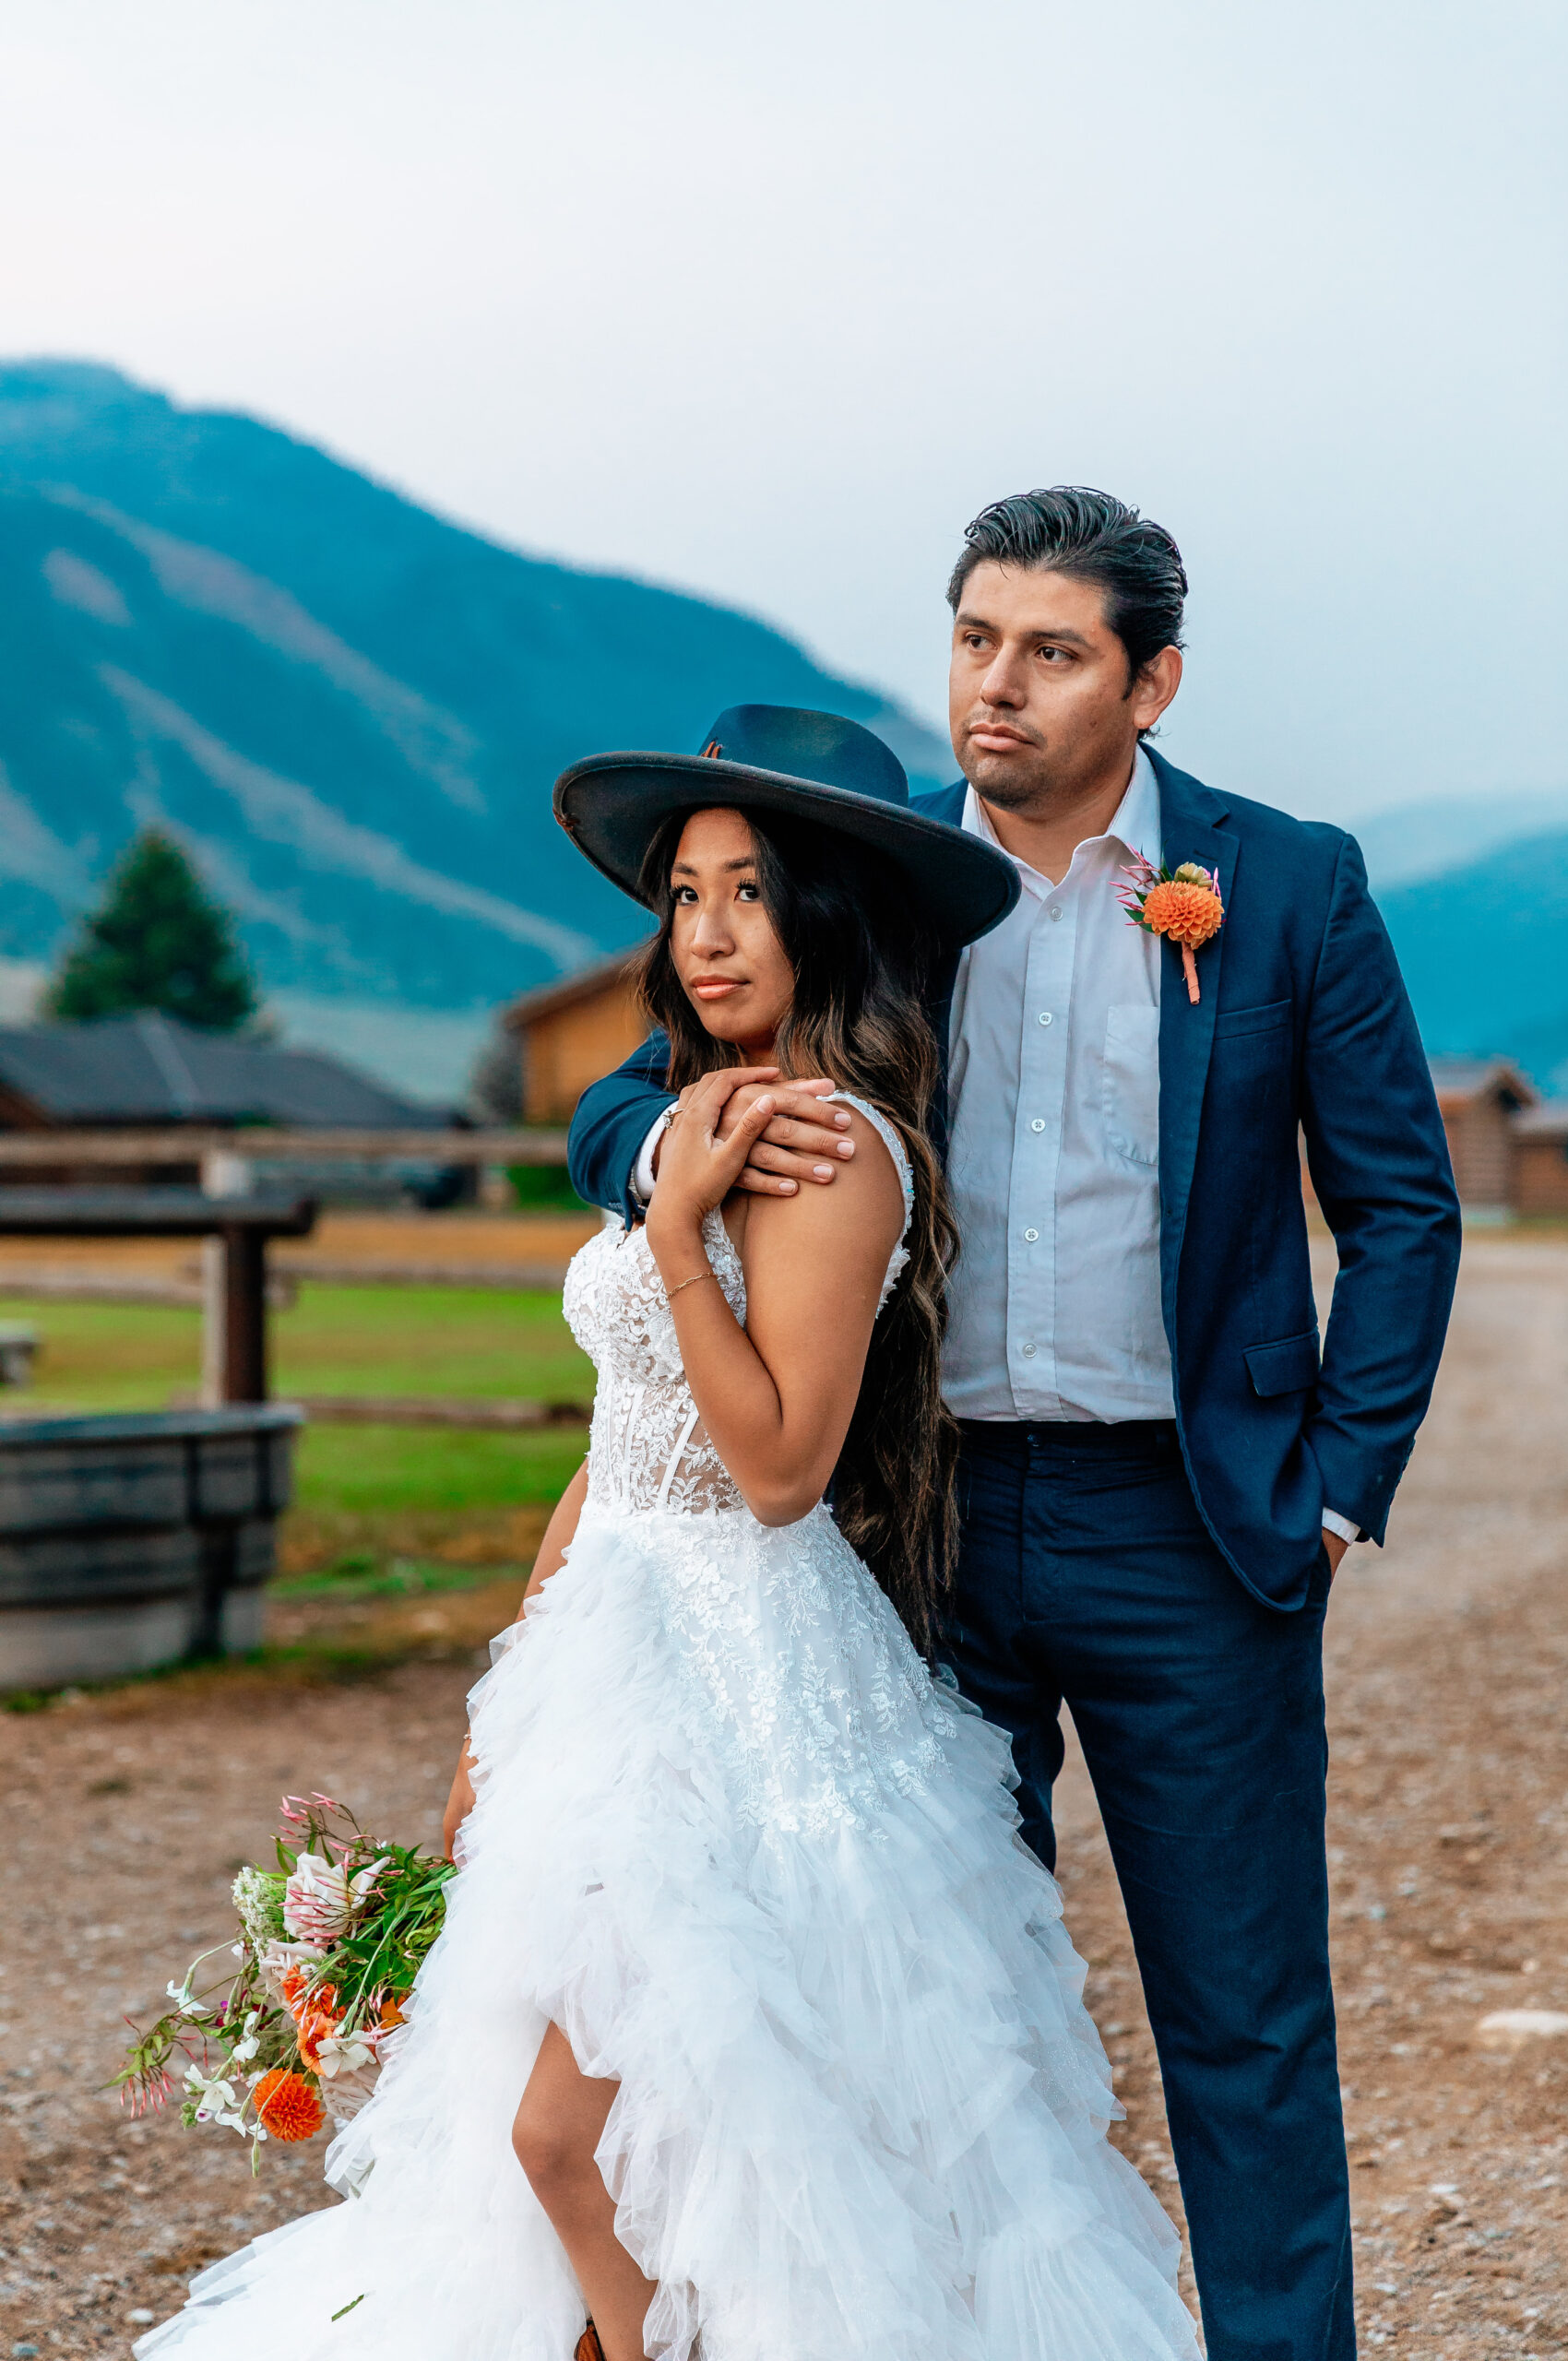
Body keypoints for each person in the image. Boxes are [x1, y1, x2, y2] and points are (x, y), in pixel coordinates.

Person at [138, 706, 1201, 2361]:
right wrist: (516, 1685)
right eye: (686, 894)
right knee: (613, 2145)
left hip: (744, 1683)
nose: (707, 934)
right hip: (615, 1652)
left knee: (584, 2139)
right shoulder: (689, 1109)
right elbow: (617, 1442)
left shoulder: (828, 1151)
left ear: (831, 913)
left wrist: (689, 1224)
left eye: (751, 894)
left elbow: (777, 1466)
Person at [569, 491, 1463, 2361]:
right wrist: (666, 1147)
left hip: (1197, 1529)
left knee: (1240, 2018)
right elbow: (639, 1080)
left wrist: (1333, 1493)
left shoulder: (1279, 885)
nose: (995, 684)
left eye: (1049, 650)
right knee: (933, 2008)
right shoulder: (879, 879)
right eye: (974, 637)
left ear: (1149, 680)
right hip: (919, 1525)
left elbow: (1397, 1207)